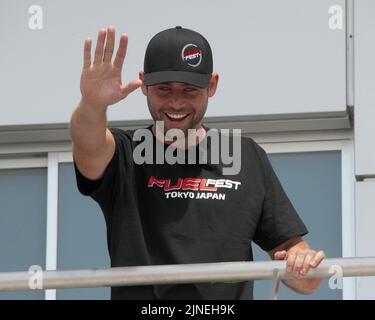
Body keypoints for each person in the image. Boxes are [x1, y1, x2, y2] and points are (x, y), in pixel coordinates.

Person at [70, 25, 326, 299]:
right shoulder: (125, 153)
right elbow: (89, 145)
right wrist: (92, 104)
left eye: (190, 89)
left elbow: (302, 277)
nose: (176, 103)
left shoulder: (245, 155)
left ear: (212, 85)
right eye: (164, 89)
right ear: (144, 84)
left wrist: (301, 260)